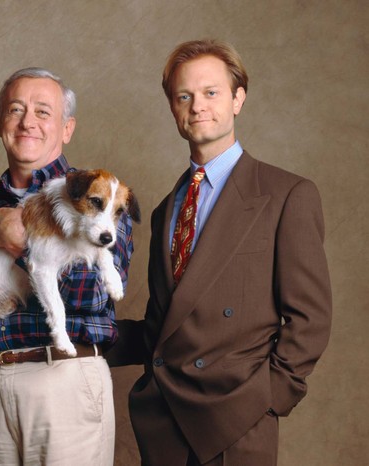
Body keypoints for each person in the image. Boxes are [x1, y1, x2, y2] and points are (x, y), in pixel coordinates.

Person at [106, 40, 332, 465]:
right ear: (173, 108)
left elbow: (310, 319)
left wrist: (267, 399)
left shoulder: (286, 195)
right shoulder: (164, 210)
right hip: (164, 421)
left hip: (237, 424)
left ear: (238, 99)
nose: (197, 106)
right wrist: (78, 337)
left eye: (211, 92)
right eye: (184, 96)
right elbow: (165, 325)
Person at [0, 67, 136, 466]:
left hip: (65, 376)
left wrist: (19, 245)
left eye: (43, 112)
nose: (28, 121)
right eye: (16, 109)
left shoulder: (101, 199)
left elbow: (95, 295)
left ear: (67, 128)